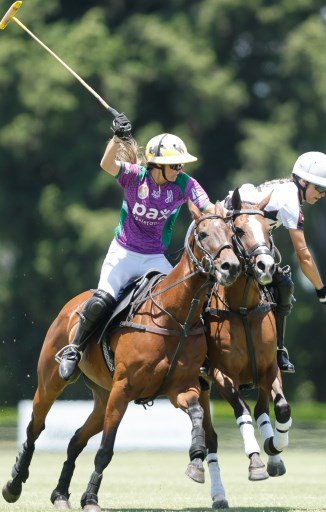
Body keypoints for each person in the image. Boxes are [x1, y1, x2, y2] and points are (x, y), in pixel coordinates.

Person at [56, 114, 213, 380]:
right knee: (102, 300)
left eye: (180, 166)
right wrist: (117, 138)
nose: (179, 170)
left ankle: (203, 357)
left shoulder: (185, 184)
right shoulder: (135, 176)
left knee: (189, 297)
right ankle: (74, 348)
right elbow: (106, 163)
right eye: (174, 166)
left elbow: (209, 208)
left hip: (155, 257)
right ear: (157, 166)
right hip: (124, 253)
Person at [226, 151, 326, 373]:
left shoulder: (288, 191)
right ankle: (277, 353)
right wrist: (321, 289)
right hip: (227, 239)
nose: (323, 194)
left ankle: (276, 349)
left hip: (243, 244)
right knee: (285, 286)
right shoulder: (290, 200)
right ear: (302, 181)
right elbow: (304, 255)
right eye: (319, 188)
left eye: (325, 190)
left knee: (282, 284)